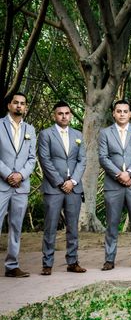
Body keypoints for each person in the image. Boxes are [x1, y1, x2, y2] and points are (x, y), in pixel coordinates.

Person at [98, 99, 131, 270]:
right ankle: (109, 259)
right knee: (112, 223)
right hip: (113, 184)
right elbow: (103, 158)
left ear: (130, 114)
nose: (121, 114)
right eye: (118, 111)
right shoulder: (105, 133)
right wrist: (119, 175)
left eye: (125, 111)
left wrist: (130, 173)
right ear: (113, 113)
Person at [37, 101, 87, 275]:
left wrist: (72, 181)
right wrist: (60, 182)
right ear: (54, 115)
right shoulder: (45, 134)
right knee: (50, 226)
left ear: (71, 115)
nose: (64, 116)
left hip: (74, 187)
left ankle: (72, 262)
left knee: (73, 227)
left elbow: (82, 160)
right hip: (54, 188)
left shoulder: (78, 135)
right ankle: (47, 264)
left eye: (67, 113)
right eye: (60, 113)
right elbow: (45, 160)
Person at [0, 93, 36, 278]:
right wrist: (8, 174)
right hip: (1, 184)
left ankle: (12, 266)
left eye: (22, 103)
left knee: (16, 226)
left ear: (25, 107)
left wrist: (20, 175)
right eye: (16, 103)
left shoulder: (30, 129)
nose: (19, 106)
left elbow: (32, 158)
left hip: (21, 186)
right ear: (9, 105)